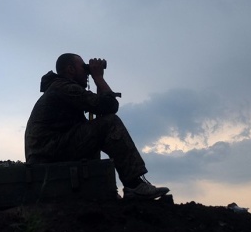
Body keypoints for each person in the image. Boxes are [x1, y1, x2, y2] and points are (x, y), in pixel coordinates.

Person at [24, 53, 169, 200]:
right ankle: (134, 184)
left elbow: (100, 110)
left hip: (49, 151)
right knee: (111, 123)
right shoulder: (64, 88)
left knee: (94, 133)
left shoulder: (59, 87)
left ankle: (102, 190)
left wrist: (97, 79)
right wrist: (98, 77)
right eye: (83, 67)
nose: (87, 72)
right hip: (49, 152)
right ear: (70, 69)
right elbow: (109, 106)